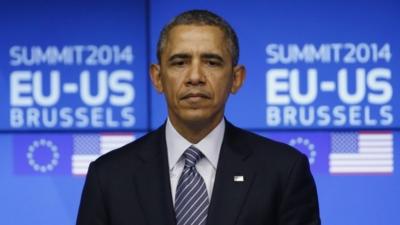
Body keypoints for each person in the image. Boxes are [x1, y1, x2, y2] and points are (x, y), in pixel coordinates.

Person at [76, 9, 321, 225]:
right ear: (157, 77)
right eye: (180, 62)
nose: (195, 76)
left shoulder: (283, 170)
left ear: (236, 78)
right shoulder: (108, 177)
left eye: (212, 62)